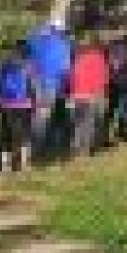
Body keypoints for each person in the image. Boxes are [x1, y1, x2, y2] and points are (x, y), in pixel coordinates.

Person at [26, 20, 73, 156]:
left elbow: (28, 51)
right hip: (53, 84)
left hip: (35, 82)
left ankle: (30, 144)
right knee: (44, 115)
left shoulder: (37, 41)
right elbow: (66, 68)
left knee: (35, 113)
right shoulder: (64, 45)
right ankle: (37, 147)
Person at [0, 40, 34, 172]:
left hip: (6, 103)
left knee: (6, 133)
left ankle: (4, 165)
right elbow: (33, 86)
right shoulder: (29, 66)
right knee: (24, 134)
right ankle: (23, 164)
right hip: (24, 104)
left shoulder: (5, 64)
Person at [71, 35, 109, 156]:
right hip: (91, 95)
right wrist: (102, 95)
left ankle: (76, 148)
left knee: (78, 123)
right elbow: (103, 79)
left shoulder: (78, 59)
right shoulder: (99, 59)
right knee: (89, 123)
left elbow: (72, 77)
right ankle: (85, 150)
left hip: (77, 95)